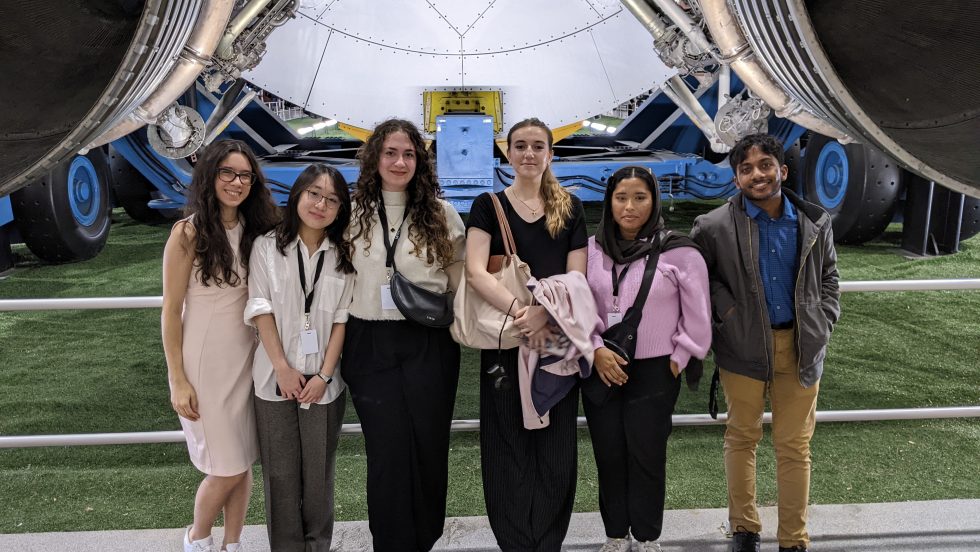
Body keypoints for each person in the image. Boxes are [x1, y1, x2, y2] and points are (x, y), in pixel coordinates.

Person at [690, 133, 840, 552]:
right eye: (746, 169)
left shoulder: (814, 221)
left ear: (782, 170)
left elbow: (830, 278)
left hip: (801, 345)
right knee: (742, 437)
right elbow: (701, 279)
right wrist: (731, 315)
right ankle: (744, 529)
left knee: (795, 446)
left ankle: (793, 538)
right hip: (742, 349)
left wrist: (822, 320)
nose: (757, 174)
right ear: (736, 178)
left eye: (765, 165)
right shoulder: (713, 226)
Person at [465, 117, 588, 551]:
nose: (529, 154)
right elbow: (475, 271)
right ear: (508, 153)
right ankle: (515, 542)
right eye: (520, 146)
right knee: (505, 446)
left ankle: (548, 541)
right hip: (506, 335)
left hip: (554, 337)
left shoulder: (570, 209)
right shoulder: (489, 205)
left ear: (550, 154)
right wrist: (523, 311)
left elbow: (578, 279)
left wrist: (546, 316)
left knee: (555, 447)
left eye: (538, 146)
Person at [342, 118, 465, 551]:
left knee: (429, 443)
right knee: (387, 451)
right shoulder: (350, 211)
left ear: (421, 161)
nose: (399, 161)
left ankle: (425, 538)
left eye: (409, 154)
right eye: (390, 152)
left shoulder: (441, 214)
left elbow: (456, 283)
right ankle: (391, 542)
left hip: (428, 343)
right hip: (368, 342)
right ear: (375, 157)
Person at [584, 166, 711, 552]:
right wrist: (594, 350)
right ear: (609, 200)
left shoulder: (680, 251)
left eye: (640, 197)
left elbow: (699, 314)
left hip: (656, 370)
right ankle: (616, 534)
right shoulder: (592, 250)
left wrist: (680, 357)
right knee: (608, 452)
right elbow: (576, 305)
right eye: (621, 197)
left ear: (654, 200)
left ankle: (647, 535)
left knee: (647, 454)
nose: (629, 206)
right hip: (602, 364)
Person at [161, 140, 278, 552]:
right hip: (205, 361)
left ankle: (232, 544)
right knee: (225, 467)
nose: (236, 182)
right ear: (210, 176)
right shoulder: (187, 232)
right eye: (227, 173)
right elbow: (171, 309)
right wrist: (178, 378)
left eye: (245, 175)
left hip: (248, 357)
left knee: (242, 460)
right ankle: (196, 539)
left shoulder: (256, 229)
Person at [245, 164, 355, 551]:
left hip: (324, 383)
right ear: (297, 196)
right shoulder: (266, 246)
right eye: (313, 194)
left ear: (340, 208)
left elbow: (342, 319)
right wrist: (283, 369)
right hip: (274, 380)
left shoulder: (344, 254)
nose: (321, 204)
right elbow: (260, 310)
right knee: (280, 475)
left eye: (331, 199)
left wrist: (324, 376)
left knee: (319, 474)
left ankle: (317, 546)